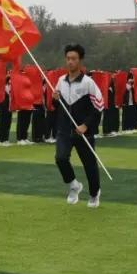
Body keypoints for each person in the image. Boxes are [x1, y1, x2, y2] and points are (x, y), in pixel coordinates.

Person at [52, 44, 104, 207]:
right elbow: (56, 106)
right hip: (64, 130)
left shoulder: (88, 82)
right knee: (60, 158)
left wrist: (85, 126)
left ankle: (94, 194)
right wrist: (55, 99)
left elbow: (99, 107)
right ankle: (74, 186)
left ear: (80, 61)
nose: (70, 62)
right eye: (68, 59)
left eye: (74, 59)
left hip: (83, 132)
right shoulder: (61, 80)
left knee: (89, 165)